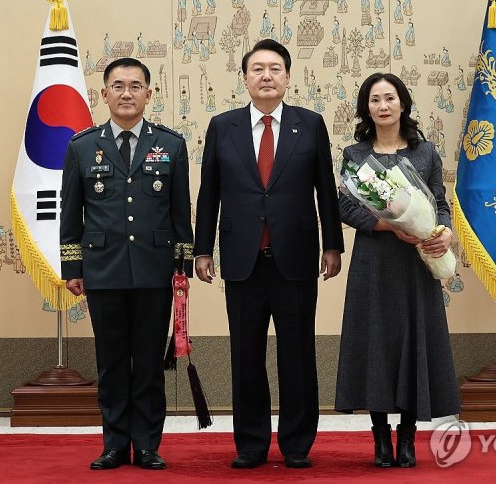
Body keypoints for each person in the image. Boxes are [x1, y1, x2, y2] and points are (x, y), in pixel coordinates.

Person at [194, 39, 344, 470]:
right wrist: (203, 250)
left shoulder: (310, 124)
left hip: (295, 259)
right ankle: (251, 445)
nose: (266, 76)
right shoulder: (224, 126)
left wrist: (332, 243)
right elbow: (209, 195)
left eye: (274, 69)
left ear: (288, 77)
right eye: (257, 69)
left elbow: (325, 190)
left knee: (298, 355)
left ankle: (297, 444)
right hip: (241, 259)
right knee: (246, 357)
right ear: (244, 78)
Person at [60, 58, 192, 471]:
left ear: (149, 94)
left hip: (154, 270)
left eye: (136, 86)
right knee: (112, 362)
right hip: (103, 270)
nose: (126, 93)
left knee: (149, 363)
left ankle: (148, 443)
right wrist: (72, 268)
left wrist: (182, 267)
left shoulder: (170, 144)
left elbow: (180, 213)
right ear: (104, 94)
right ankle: (115, 444)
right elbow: (71, 214)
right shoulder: (82, 146)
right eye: (117, 86)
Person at [335, 72, 459, 469]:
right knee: (376, 343)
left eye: (390, 98)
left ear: (403, 103)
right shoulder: (354, 156)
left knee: (412, 340)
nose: (383, 106)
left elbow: (440, 203)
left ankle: (407, 438)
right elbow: (345, 206)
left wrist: (443, 233)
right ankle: (379, 441)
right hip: (372, 262)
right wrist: (391, 225)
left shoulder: (425, 153)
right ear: (366, 108)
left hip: (414, 264)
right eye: (375, 100)